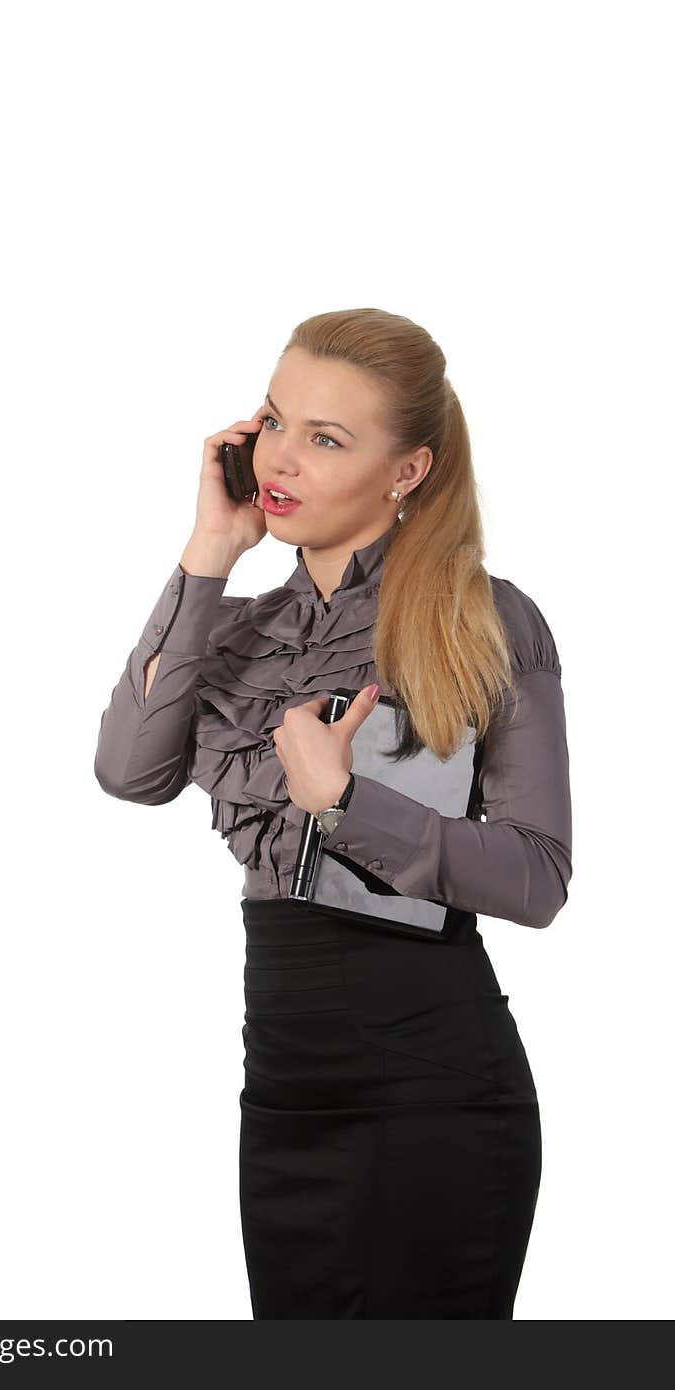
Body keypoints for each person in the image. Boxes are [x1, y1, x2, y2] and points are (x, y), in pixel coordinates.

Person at [94, 307, 573, 1319]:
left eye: (326, 438)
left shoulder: (479, 620)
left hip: (432, 1091)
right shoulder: (234, 631)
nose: (281, 458)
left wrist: (349, 803)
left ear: (407, 471)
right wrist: (208, 553)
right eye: (274, 421)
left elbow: (535, 876)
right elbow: (128, 770)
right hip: (284, 1094)